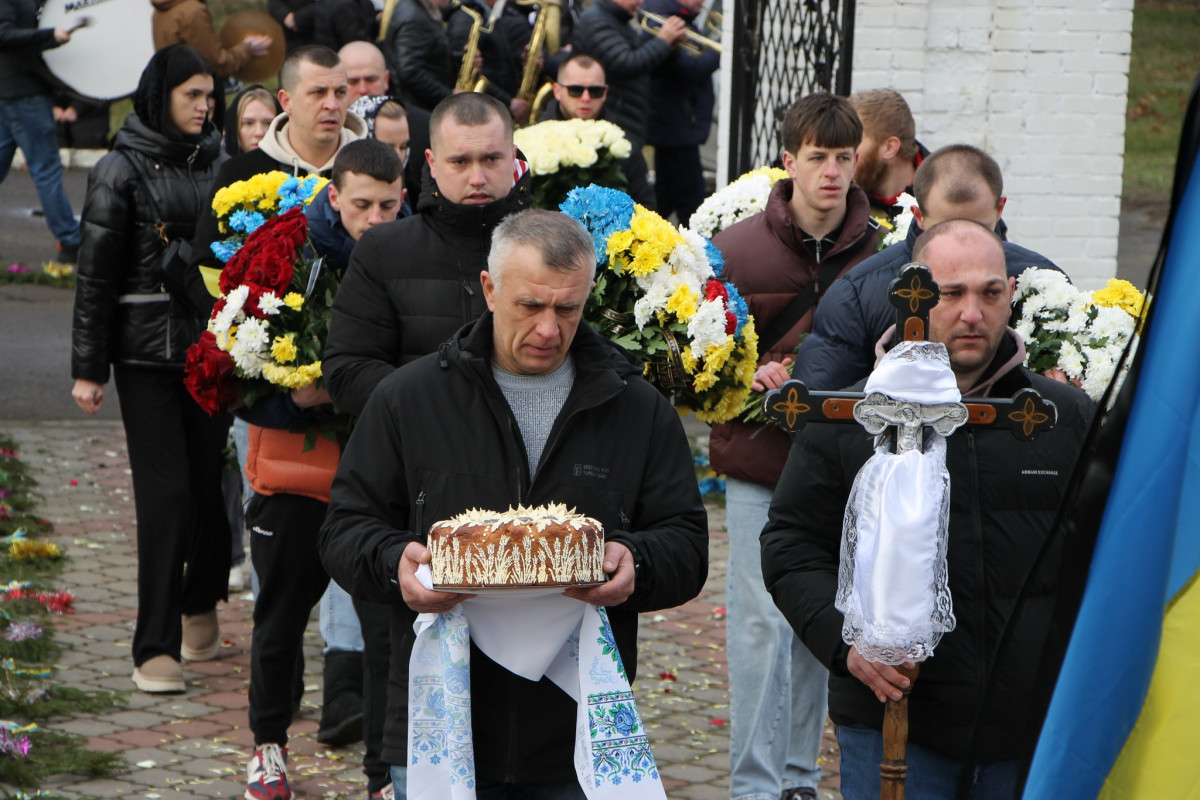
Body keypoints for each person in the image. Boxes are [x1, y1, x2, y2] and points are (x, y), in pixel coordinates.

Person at [318, 207, 709, 796]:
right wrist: (393, 563)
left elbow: (686, 541)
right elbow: (345, 528)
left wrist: (637, 564)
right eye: (530, 306)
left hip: (575, 738)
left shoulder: (637, 408)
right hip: (438, 722)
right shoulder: (409, 397)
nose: (549, 329)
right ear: (489, 289)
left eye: (568, 309)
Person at [760, 219, 1093, 800]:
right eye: (952, 293)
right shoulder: (849, 417)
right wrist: (845, 644)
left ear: (1011, 294)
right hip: (897, 722)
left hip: (1032, 727)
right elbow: (791, 544)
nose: (973, 314)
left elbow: (1103, 553)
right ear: (911, 295)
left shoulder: (1059, 418)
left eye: (990, 293)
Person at [709, 91, 881, 800]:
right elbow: (705, 354)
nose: (833, 173)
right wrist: (747, 369)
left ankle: (800, 776)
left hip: (842, 463)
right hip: (757, 459)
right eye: (819, 158)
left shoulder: (884, 252)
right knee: (757, 625)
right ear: (789, 161)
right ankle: (753, 785)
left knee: (820, 619)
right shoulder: (739, 247)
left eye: (844, 158)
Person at [237, 139, 406, 800]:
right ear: (332, 197)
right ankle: (267, 747)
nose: (375, 218)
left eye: (389, 205)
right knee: (279, 616)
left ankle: (382, 775)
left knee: (384, 632)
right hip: (295, 469)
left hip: (376, 479)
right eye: (361, 203)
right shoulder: (289, 254)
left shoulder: (409, 255)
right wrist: (295, 393)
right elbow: (238, 366)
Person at [69, 44, 229, 694]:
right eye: (192, 95)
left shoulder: (219, 162)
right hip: (145, 356)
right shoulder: (119, 169)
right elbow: (94, 277)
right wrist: (89, 368)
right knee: (166, 498)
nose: (204, 107)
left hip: (214, 352)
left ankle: (199, 603)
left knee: (211, 496)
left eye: (210, 96)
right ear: (160, 94)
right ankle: (155, 644)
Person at [323, 91, 531, 416]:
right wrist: (442, 409)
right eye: (460, 161)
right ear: (432, 163)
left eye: (491, 159)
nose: (477, 178)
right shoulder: (383, 249)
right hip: (416, 455)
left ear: (514, 157)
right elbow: (347, 373)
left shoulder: (552, 247)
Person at [794, 144, 1063, 393]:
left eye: (978, 228)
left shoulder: (1043, 281)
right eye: (944, 228)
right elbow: (823, 419)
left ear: (999, 209)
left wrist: (1060, 393)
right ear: (919, 216)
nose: (962, 240)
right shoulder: (857, 295)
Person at [189, 44, 366, 306]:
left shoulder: (371, 169)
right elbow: (201, 273)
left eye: (340, 92)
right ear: (286, 101)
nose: (332, 104)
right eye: (318, 92)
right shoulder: (240, 174)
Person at [0, 0, 81, 263]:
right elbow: (4, 34)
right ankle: (70, 240)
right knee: (47, 170)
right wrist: (50, 35)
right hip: (25, 97)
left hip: (11, 94)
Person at [569, 0, 688, 147]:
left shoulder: (617, 21)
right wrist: (663, 41)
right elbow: (626, 63)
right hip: (611, 120)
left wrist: (671, 48)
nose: (641, 2)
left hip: (624, 118)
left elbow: (646, 69)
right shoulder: (597, 20)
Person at [642, 0, 719, 225]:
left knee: (665, 199)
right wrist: (723, 47)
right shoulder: (664, 21)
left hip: (677, 127)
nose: (702, 2)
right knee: (692, 205)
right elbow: (692, 67)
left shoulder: (680, 19)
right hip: (675, 127)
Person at [542, 53, 654, 207]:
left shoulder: (624, 146)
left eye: (595, 91)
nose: (586, 98)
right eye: (575, 90)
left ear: (605, 93)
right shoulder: (534, 140)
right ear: (557, 91)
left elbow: (645, 205)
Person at [339, 40, 431, 206]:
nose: (363, 89)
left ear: (386, 78)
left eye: (371, 79)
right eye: (352, 82)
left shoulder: (424, 127)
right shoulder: (329, 132)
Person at [849, 88, 930, 230]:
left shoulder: (945, 194)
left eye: (854, 139)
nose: (844, 152)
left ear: (889, 148)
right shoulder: (841, 198)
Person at [447, 0, 529, 124]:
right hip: (484, 111)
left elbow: (497, 62)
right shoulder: (465, 19)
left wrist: (521, 60)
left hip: (495, 106)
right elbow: (464, 74)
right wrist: (507, 102)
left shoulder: (484, 14)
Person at [151, 0, 273, 79]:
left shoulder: (158, 12)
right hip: (198, 96)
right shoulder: (193, 12)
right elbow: (217, 65)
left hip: (176, 95)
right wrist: (248, 47)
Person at [383, 0, 455, 112]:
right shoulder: (414, 18)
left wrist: (461, 59)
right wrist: (449, 97)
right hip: (418, 108)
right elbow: (410, 71)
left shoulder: (419, 11)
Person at [224, 85, 280, 159]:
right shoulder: (217, 167)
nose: (259, 132)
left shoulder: (296, 168)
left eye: (268, 123)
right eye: (248, 123)